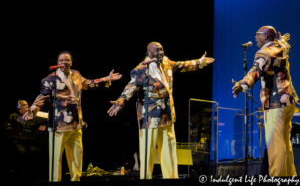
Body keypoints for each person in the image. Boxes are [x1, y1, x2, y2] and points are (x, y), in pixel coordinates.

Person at [107, 42, 214, 179]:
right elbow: (130, 88)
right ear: (149, 52)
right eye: (157, 50)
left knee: (169, 153)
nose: (160, 53)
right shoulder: (141, 69)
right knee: (148, 154)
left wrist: (200, 62)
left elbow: (182, 66)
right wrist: (119, 103)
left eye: (161, 50)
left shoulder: (166, 62)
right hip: (149, 118)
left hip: (167, 116)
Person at [23, 51, 122, 181]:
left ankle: (76, 179)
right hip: (59, 125)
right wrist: (32, 109)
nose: (64, 62)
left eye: (67, 60)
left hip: (76, 124)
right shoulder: (49, 79)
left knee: (76, 158)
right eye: (61, 60)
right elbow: (42, 97)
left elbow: (89, 84)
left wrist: (107, 79)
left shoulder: (76, 74)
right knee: (56, 159)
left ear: (71, 62)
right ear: (57, 63)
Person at [232, 26, 299, 177]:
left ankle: (278, 176)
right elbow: (283, 45)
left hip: (275, 103)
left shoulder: (263, 52)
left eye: (258, 34)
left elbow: (255, 70)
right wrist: (281, 40)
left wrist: (242, 84)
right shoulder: (280, 46)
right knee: (285, 142)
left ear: (265, 36)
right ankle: (291, 176)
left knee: (275, 144)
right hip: (288, 101)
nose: (255, 37)